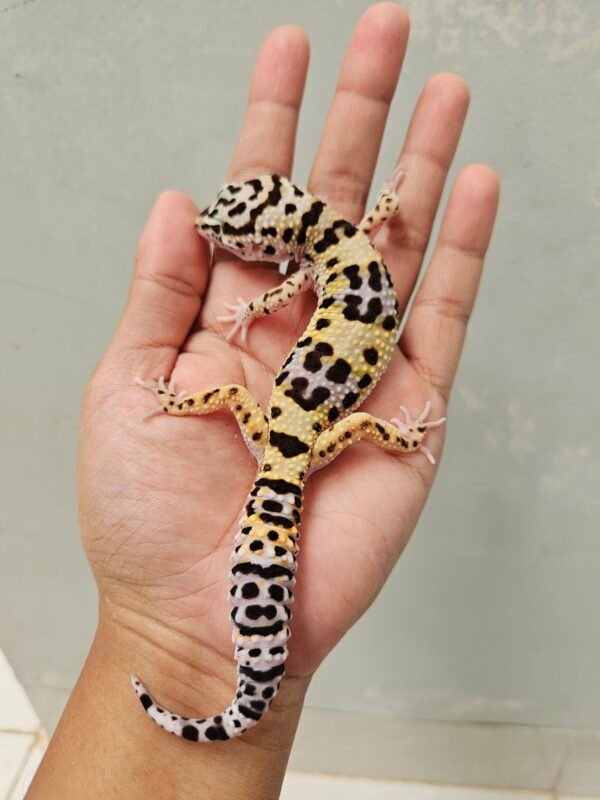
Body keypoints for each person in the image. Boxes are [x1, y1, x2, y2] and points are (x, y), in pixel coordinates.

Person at [27, 4, 499, 797]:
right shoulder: (341, 242)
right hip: (303, 434)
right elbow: (359, 234)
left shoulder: (322, 259)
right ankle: (226, 701)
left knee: (333, 427)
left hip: (296, 432)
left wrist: (224, 351)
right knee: (349, 431)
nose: (219, 235)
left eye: (234, 236)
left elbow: (305, 284)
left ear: (277, 242)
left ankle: (228, 703)